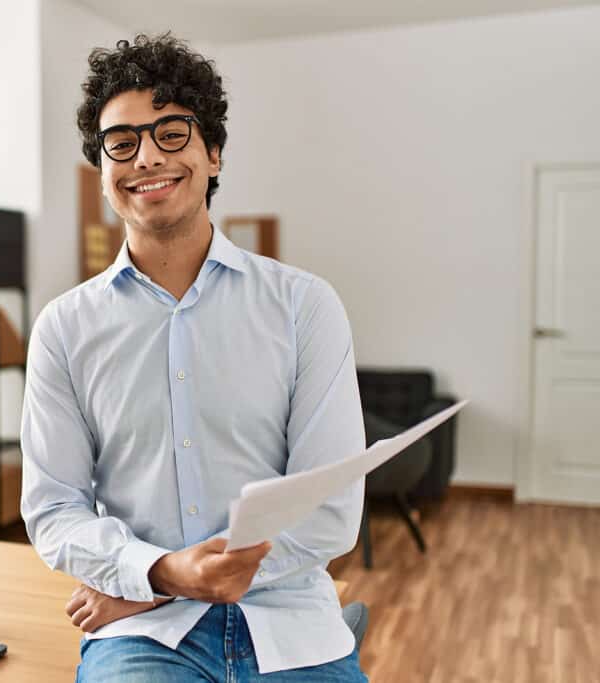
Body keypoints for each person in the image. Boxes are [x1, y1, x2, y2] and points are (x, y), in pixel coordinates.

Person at [20, 34, 367, 681]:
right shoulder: (64, 329)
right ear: (103, 171)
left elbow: (331, 509)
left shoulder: (305, 307)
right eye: (121, 142)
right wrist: (164, 575)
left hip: (291, 624)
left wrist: (160, 580)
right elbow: (54, 508)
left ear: (213, 152)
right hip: (144, 638)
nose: (146, 155)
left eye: (171, 132)